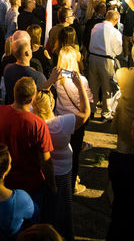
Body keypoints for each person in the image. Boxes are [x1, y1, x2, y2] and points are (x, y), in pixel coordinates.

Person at [32, 71, 89, 241]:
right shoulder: (61, 124)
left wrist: (49, 81)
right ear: (51, 105)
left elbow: (35, 97)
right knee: (62, 209)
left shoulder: (33, 120)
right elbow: (85, 113)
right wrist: (80, 87)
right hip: (62, 173)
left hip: (40, 172)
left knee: (45, 207)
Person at [0, 77, 55, 215]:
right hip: (30, 185)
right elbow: (46, 161)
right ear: (32, 99)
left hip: (3, 180)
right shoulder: (37, 124)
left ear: (14, 93)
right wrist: (52, 185)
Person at [53, 45, 93, 192]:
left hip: (61, 118)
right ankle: (72, 185)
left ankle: (63, 180)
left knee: (62, 151)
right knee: (74, 154)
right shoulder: (81, 80)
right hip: (76, 121)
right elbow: (88, 100)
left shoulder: (57, 79)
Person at [86, 9, 123, 120]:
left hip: (93, 57)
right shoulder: (115, 32)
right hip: (106, 60)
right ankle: (106, 112)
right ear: (115, 20)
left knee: (93, 86)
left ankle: (92, 110)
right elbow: (118, 50)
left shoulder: (96, 27)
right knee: (107, 88)